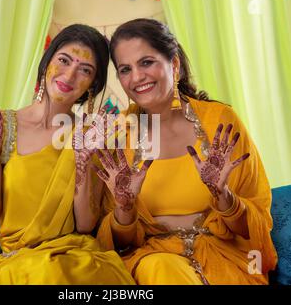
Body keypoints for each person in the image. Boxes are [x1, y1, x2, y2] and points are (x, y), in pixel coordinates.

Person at [93, 18, 278, 285]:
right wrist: (125, 208)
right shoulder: (119, 135)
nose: (136, 77)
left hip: (226, 260)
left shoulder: (221, 123)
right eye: (125, 69)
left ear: (175, 64)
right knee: (159, 268)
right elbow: (119, 245)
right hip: (154, 262)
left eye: (146, 62)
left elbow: (255, 227)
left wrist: (223, 196)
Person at [0, 24, 135, 285]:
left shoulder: (89, 136)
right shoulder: (2, 127)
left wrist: (83, 164)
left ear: (92, 85)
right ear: (46, 63)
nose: (70, 75)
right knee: (47, 273)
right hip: (20, 264)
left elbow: (86, 225)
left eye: (85, 70)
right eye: (64, 60)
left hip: (75, 258)